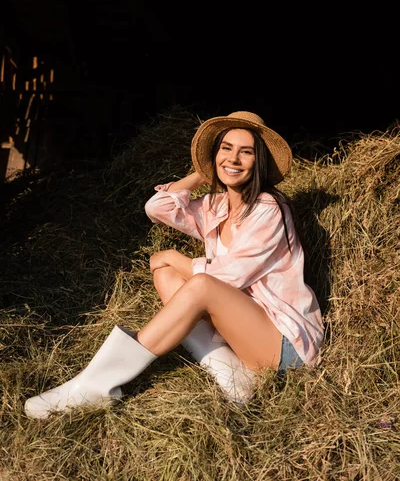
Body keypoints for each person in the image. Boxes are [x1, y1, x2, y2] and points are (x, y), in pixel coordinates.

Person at [24, 111, 324, 419]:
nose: (233, 159)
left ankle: (95, 384)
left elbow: (228, 278)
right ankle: (233, 374)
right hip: (247, 333)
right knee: (166, 275)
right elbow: (157, 207)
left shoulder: (270, 208)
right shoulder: (217, 205)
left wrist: (174, 256)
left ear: (258, 161)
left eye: (245, 152)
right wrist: (200, 173)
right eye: (225, 149)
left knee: (196, 281)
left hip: (286, 346)